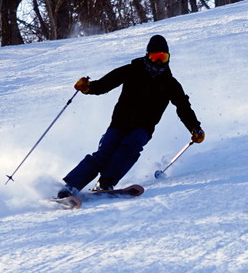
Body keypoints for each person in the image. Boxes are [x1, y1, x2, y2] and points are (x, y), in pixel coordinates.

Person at [58, 34, 204, 198]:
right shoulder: (132, 70)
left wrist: (194, 127)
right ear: (147, 55)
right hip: (120, 122)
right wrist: (88, 87)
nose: (158, 62)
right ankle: (72, 186)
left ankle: (105, 183)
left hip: (143, 127)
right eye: (155, 57)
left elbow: (183, 107)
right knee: (104, 152)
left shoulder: (170, 84)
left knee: (130, 147)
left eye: (162, 58)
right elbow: (105, 84)